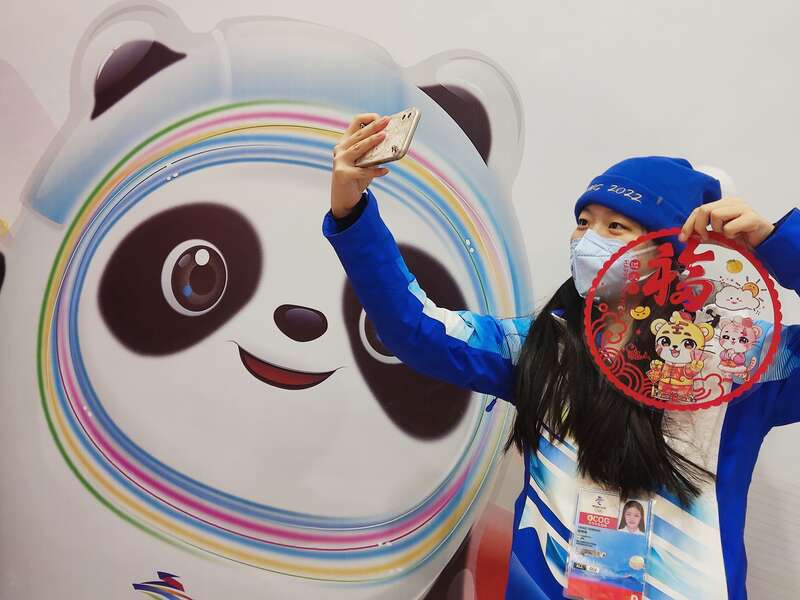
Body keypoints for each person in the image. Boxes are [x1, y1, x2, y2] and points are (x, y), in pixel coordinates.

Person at [322, 113, 800, 599]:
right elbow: (415, 329)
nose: (589, 240)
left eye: (616, 226)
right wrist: (352, 214)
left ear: (671, 253)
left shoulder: (737, 360)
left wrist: (779, 244)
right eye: (583, 222)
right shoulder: (541, 344)